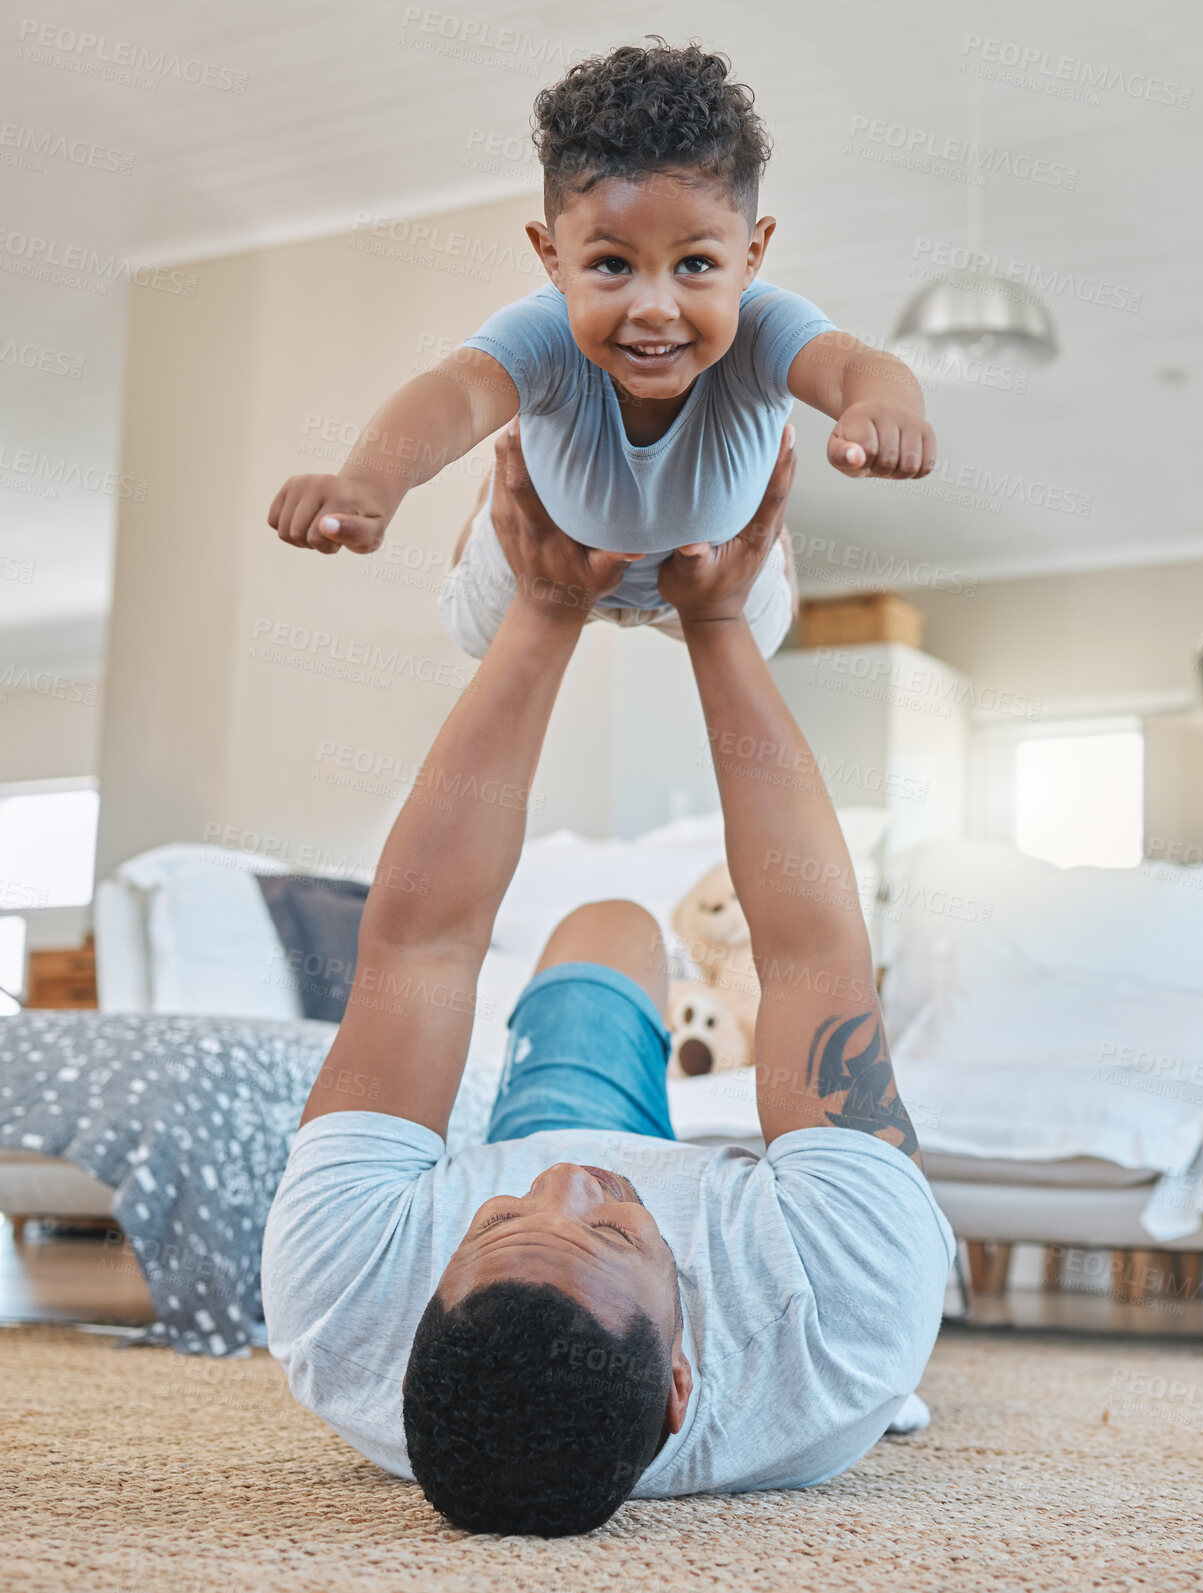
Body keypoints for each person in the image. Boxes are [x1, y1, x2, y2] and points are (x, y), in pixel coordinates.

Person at [261, 422, 955, 1538]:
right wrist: (720, 621)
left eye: (497, 1224)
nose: (570, 1182)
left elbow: (421, 945)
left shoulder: (342, 1303)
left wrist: (542, 608)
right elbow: (815, 950)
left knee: (610, 923)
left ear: (411, 1334)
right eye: (614, 1234)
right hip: (774, 1245)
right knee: (887, 1291)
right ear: (684, 1386)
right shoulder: (844, 1314)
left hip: (570, 1143)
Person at [266, 40, 936, 661]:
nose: (653, 305)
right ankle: (490, 501)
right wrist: (367, 482)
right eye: (613, 264)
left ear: (751, 255)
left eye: (696, 264)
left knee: (763, 638)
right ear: (553, 258)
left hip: (709, 559)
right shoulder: (544, 331)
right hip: (552, 545)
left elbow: (854, 365)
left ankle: (772, 536)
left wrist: (883, 403)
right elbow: (455, 395)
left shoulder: (765, 327)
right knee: (471, 633)